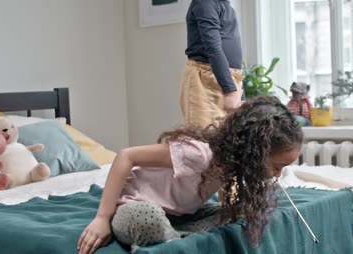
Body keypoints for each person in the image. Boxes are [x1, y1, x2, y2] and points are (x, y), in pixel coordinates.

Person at [77, 96, 304, 254]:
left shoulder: (233, 164)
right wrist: (102, 218)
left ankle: (176, 235)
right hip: (134, 207)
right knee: (145, 217)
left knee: (241, 214)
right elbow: (126, 155)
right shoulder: (198, 154)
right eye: (278, 166)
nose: (278, 174)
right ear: (254, 153)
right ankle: (181, 241)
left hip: (181, 215)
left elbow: (228, 201)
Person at [180, 0, 244, 127]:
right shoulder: (204, 3)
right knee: (204, 136)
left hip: (226, 77)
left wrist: (238, 91)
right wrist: (230, 91)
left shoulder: (224, 5)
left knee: (226, 139)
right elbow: (213, 49)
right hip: (205, 80)